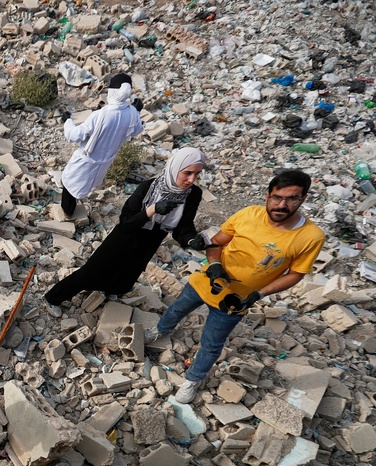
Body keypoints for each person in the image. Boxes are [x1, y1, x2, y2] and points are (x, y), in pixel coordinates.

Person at [147, 169, 326, 403]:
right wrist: (213, 265)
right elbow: (217, 242)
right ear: (267, 196)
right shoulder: (248, 214)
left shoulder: (311, 236)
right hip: (207, 281)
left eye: (292, 199)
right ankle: (161, 331)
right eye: (277, 197)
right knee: (177, 309)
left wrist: (259, 294)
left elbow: (295, 274)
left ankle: (193, 379)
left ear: (303, 199)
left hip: (237, 299)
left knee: (212, 343)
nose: (282, 205)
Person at [46, 148, 207, 309]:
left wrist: (192, 240)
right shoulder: (148, 188)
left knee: (127, 275)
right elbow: (126, 222)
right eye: (187, 173)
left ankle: (108, 293)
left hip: (149, 244)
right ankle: (53, 298)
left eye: (197, 174)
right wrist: (151, 210)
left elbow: (183, 226)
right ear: (175, 168)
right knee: (91, 271)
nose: (192, 179)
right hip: (126, 237)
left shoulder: (193, 194)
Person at [60, 73, 144, 217]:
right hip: (105, 162)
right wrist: (136, 111)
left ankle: (68, 213)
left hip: (86, 160)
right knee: (86, 184)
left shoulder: (100, 115)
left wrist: (67, 121)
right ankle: (73, 207)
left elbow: (73, 135)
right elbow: (136, 130)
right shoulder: (131, 114)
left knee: (69, 184)